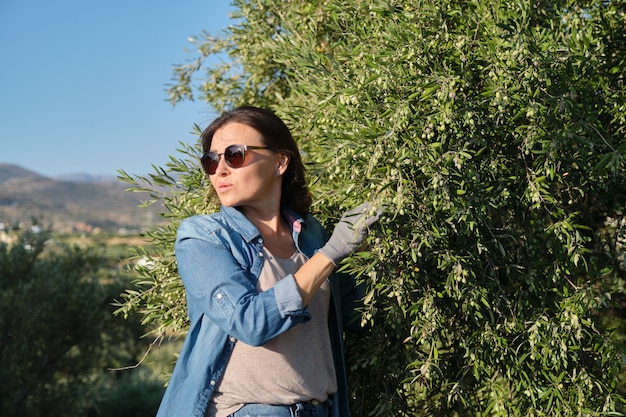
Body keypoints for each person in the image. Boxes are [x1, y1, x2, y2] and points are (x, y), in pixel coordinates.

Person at [156, 106, 381, 417]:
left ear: (280, 161)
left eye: (234, 155)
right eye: (211, 160)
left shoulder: (312, 234)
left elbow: (355, 318)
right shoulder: (203, 237)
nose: (220, 169)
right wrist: (332, 254)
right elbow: (248, 323)